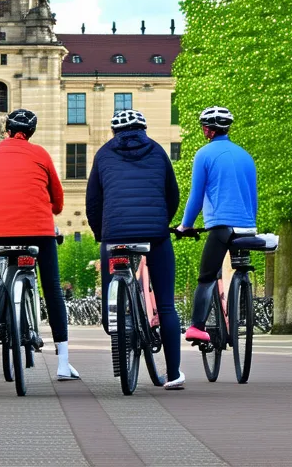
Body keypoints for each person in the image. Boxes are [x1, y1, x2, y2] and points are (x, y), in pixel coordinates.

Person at [0, 109, 77, 380]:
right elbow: (58, 198)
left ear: (6, 131)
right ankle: (63, 362)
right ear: (31, 133)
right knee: (52, 288)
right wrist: (50, 208)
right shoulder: (40, 154)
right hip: (38, 232)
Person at [86, 109, 185, 389]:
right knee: (165, 304)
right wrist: (161, 223)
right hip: (155, 233)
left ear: (114, 131)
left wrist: (101, 235)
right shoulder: (157, 151)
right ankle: (174, 374)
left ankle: (116, 325)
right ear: (143, 128)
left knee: (110, 296)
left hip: (115, 234)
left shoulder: (103, 154)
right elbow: (172, 194)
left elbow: (93, 201)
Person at [176, 106, 257, 348]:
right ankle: (240, 311)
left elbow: (196, 196)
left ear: (208, 130)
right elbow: (253, 197)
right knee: (240, 268)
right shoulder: (246, 155)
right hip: (247, 226)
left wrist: (185, 226)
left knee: (206, 277)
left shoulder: (204, 154)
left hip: (221, 226)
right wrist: (250, 223)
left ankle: (197, 327)